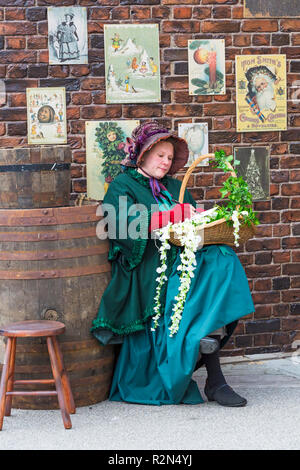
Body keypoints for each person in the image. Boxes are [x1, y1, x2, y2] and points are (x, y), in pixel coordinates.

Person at [91, 121, 255, 407]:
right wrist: (172, 215)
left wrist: (206, 216)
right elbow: (121, 228)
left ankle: (214, 375)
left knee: (222, 258)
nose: (166, 163)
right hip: (147, 266)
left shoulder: (175, 187)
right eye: (160, 156)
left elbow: (194, 224)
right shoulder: (122, 186)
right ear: (142, 154)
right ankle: (215, 379)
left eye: (169, 158)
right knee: (209, 269)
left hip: (183, 257)